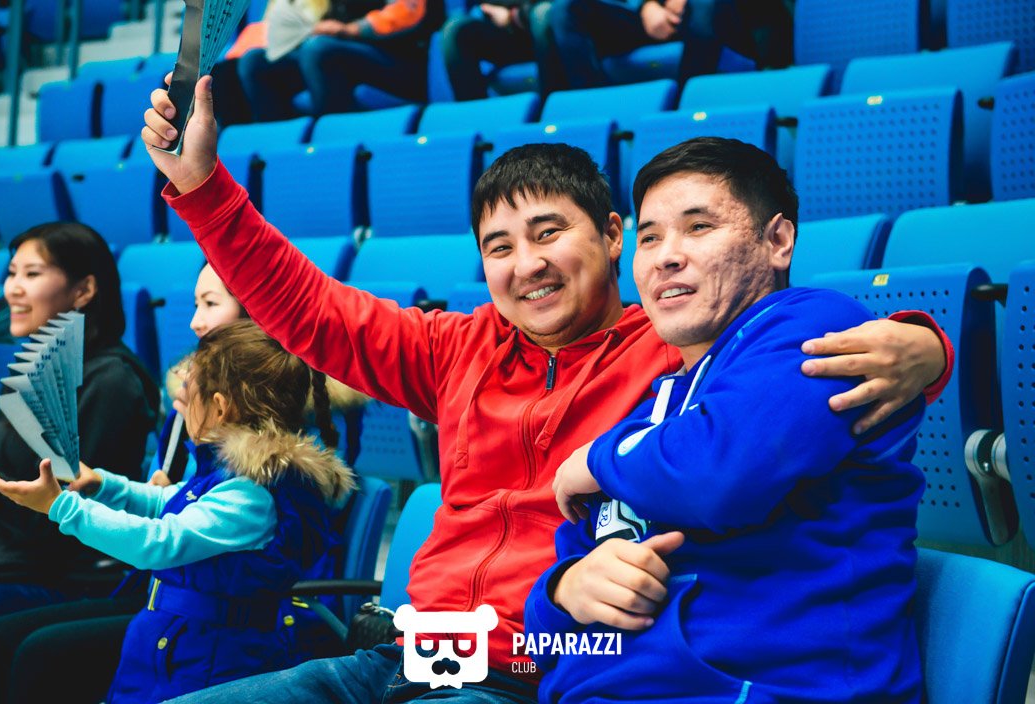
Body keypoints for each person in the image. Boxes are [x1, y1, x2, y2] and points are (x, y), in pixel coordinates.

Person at [141, 77, 951, 702]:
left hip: (531, 670)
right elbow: (311, 311)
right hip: (404, 656)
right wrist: (204, 188)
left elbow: (786, 344)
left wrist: (927, 344)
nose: (525, 264)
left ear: (611, 236)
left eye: (549, 233)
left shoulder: (671, 351)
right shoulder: (454, 348)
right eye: (499, 246)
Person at [529, 137, 924, 701]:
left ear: (777, 241)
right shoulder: (658, 409)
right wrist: (564, 591)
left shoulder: (815, 328)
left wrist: (595, 458)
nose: (665, 256)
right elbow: (540, 641)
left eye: (698, 227)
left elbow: (716, 477)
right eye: (649, 237)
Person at [0, 262, 367, 704]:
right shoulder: (231, 471)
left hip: (208, 656)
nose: (179, 404)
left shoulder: (251, 494)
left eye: (187, 400)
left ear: (220, 408)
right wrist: (104, 485)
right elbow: (170, 499)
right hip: (174, 638)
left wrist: (63, 508)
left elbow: (159, 541)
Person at [0, 222, 160, 623]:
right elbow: (2, 475)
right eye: (12, 273)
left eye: (32, 274)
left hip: (72, 585)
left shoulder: (111, 381)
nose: (12, 289)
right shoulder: (40, 368)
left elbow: (49, 522)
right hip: (16, 572)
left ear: (84, 291)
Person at [238, 0, 446, 120]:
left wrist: (352, 29)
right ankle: (278, 155)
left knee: (320, 51)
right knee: (256, 64)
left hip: (403, 60)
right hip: (342, 50)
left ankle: (335, 141)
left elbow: (409, 11)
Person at [548, 0, 793, 90]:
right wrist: (645, 5)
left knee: (703, 6)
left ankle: (688, 107)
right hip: (651, 15)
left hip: (725, 15)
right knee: (565, 9)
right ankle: (592, 109)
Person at [441, 1, 563, 100]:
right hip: (512, 33)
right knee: (456, 30)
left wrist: (516, 15)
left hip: (554, 30)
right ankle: (475, 115)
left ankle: (554, 109)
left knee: (543, 14)